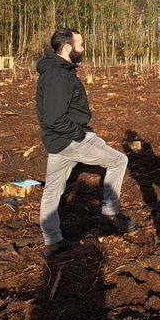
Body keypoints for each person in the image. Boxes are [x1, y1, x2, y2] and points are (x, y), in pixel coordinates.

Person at [36, 28, 136, 258]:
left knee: (53, 189)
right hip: (71, 139)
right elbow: (54, 118)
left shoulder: (58, 71)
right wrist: (80, 135)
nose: (83, 48)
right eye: (80, 44)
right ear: (68, 48)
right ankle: (110, 213)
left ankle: (53, 241)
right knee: (119, 160)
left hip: (59, 141)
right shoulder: (58, 76)